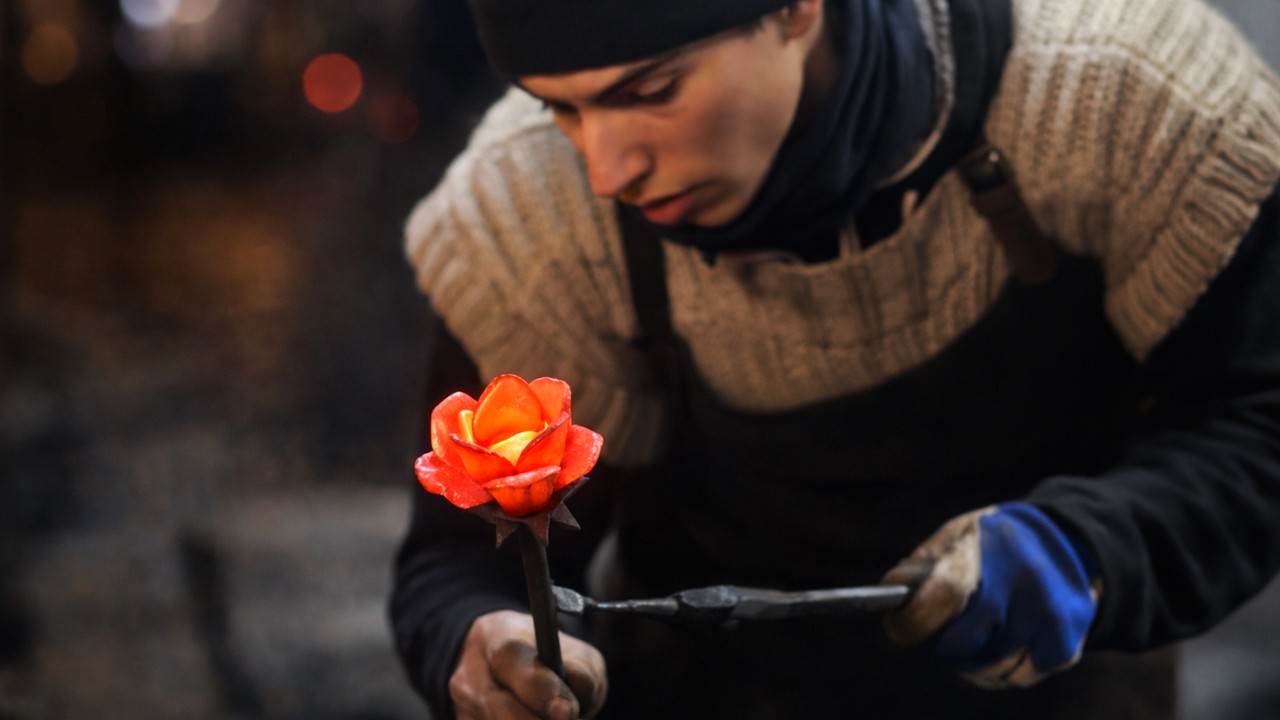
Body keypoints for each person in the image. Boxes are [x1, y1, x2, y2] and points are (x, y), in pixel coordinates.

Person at [390, 0, 1280, 716]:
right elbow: (457, 561)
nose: (606, 171)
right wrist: (476, 640)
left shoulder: (1125, 103)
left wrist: (1096, 549)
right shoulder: (530, 211)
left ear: (797, 10)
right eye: (562, 108)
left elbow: (1255, 427)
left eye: (654, 91)